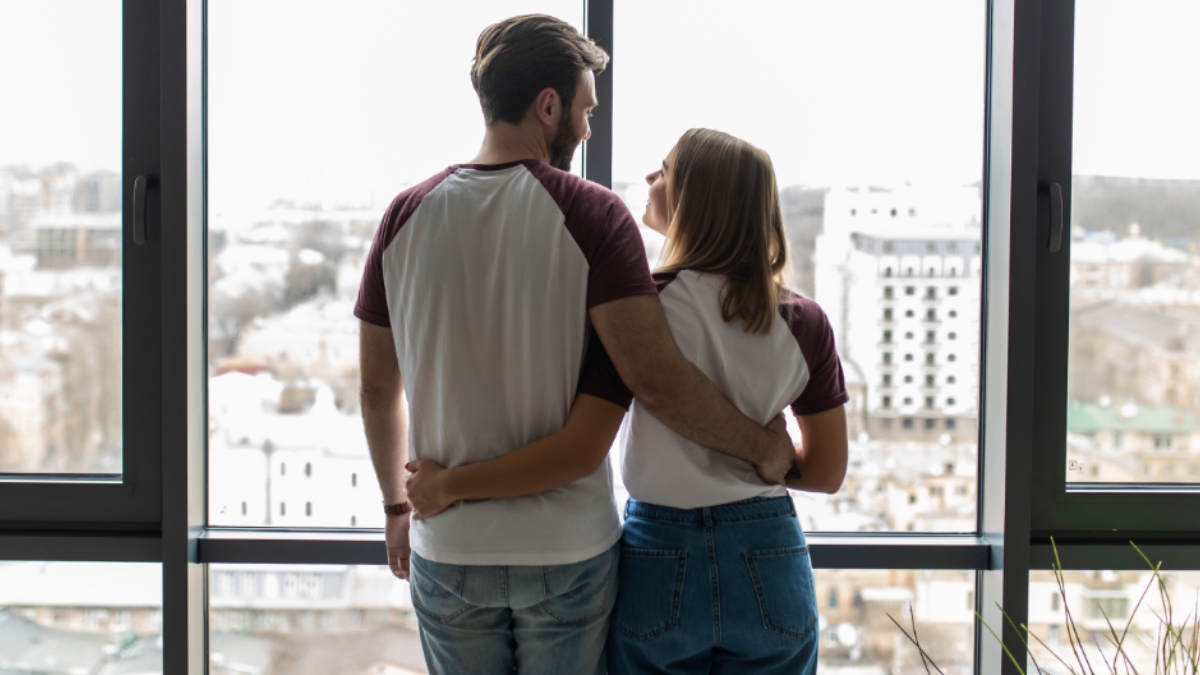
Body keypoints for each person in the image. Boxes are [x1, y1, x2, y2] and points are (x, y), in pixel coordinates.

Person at [354, 15, 797, 675]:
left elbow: (376, 386)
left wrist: (398, 504)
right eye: (585, 109)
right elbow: (656, 379)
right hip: (565, 549)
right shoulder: (594, 215)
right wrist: (765, 446)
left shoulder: (405, 213)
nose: (588, 128)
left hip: (447, 545)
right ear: (548, 105)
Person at [405, 128, 849, 674]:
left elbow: (589, 434)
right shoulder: (803, 321)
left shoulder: (641, 309)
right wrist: (772, 456)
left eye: (664, 171)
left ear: (696, 200)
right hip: (770, 547)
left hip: (661, 551)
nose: (648, 179)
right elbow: (827, 473)